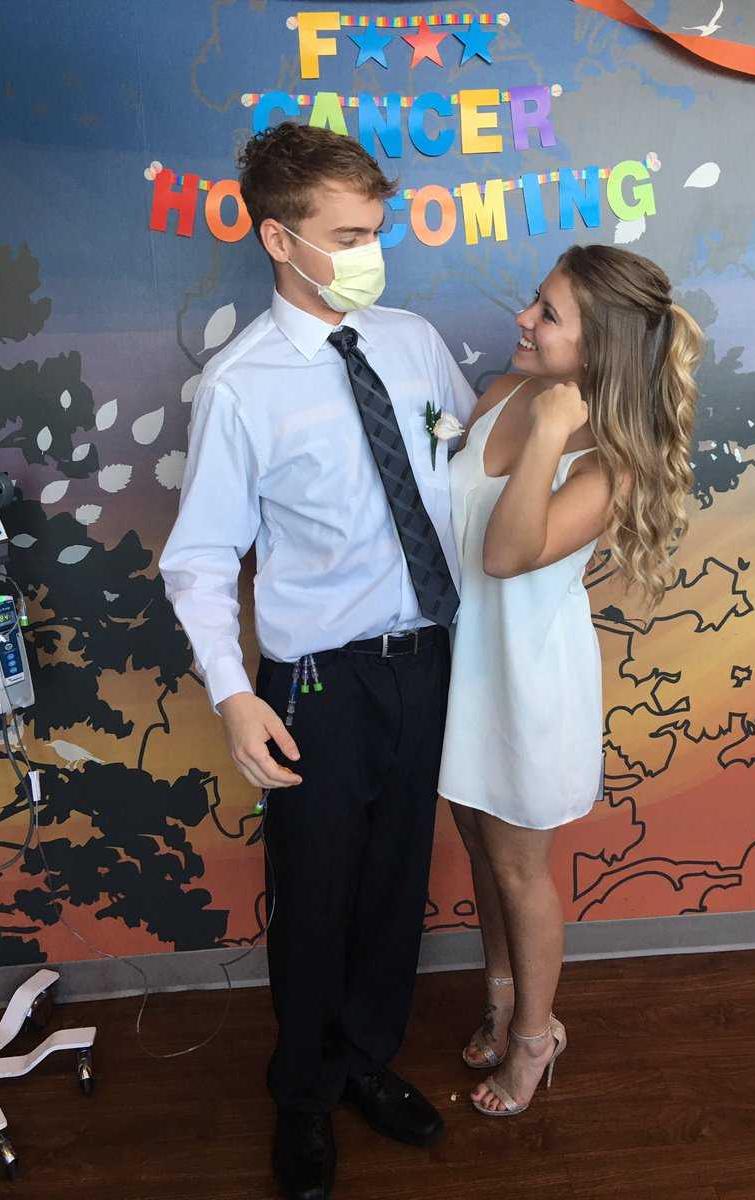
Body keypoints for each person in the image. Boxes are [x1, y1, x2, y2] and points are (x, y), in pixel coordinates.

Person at [159, 122, 475, 1200]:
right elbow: (201, 559)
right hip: (316, 683)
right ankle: (301, 1093)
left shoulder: (414, 342)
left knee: (396, 881)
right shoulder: (241, 386)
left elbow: (465, 468)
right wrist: (233, 695)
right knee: (317, 892)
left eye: (375, 231)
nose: (368, 253)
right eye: (346, 236)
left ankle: (367, 1060)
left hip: (425, 658)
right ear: (278, 239)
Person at [438, 244, 704, 1117]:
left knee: (521, 870)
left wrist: (554, 429)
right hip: (462, 665)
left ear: (599, 346)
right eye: (535, 301)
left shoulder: (608, 461)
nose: (523, 318)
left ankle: (534, 1036)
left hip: (528, 680)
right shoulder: (501, 393)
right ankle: (502, 995)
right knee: (479, 844)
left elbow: (507, 553)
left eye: (547, 314)